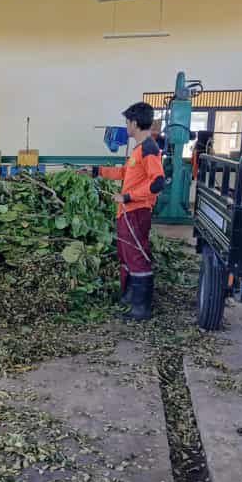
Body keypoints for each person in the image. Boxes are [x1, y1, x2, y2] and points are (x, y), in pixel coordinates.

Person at [92, 102, 165, 321]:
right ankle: (130, 298)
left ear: (134, 123)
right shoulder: (139, 150)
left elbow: (157, 182)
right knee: (125, 255)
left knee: (136, 255)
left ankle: (141, 308)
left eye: (127, 122)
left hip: (136, 211)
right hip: (126, 212)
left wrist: (127, 197)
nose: (126, 126)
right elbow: (126, 172)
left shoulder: (150, 149)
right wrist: (97, 171)